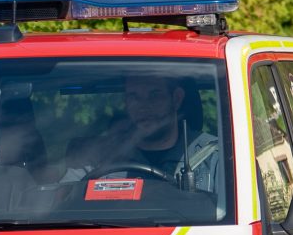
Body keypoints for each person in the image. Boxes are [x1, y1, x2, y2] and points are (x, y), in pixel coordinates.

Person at [59, 68, 223, 198]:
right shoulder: (98, 156)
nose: (143, 106)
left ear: (176, 99)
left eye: (154, 95)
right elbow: (61, 203)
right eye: (134, 96)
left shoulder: (214, 157)